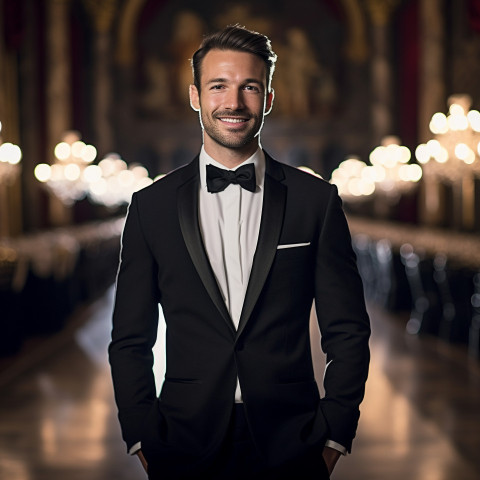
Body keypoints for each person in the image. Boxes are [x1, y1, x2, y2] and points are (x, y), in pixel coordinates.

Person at [109, 24, 370, 480]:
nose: (233, 103)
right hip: (181, 440)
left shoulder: (317, 201)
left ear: (268, 97)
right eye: (218, 86)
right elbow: (130, 339)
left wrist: (334, 433)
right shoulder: (150, 207)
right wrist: (141, 433)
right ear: (195, 96)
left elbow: (347, 330)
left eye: (250, 86)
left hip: (294, 441)